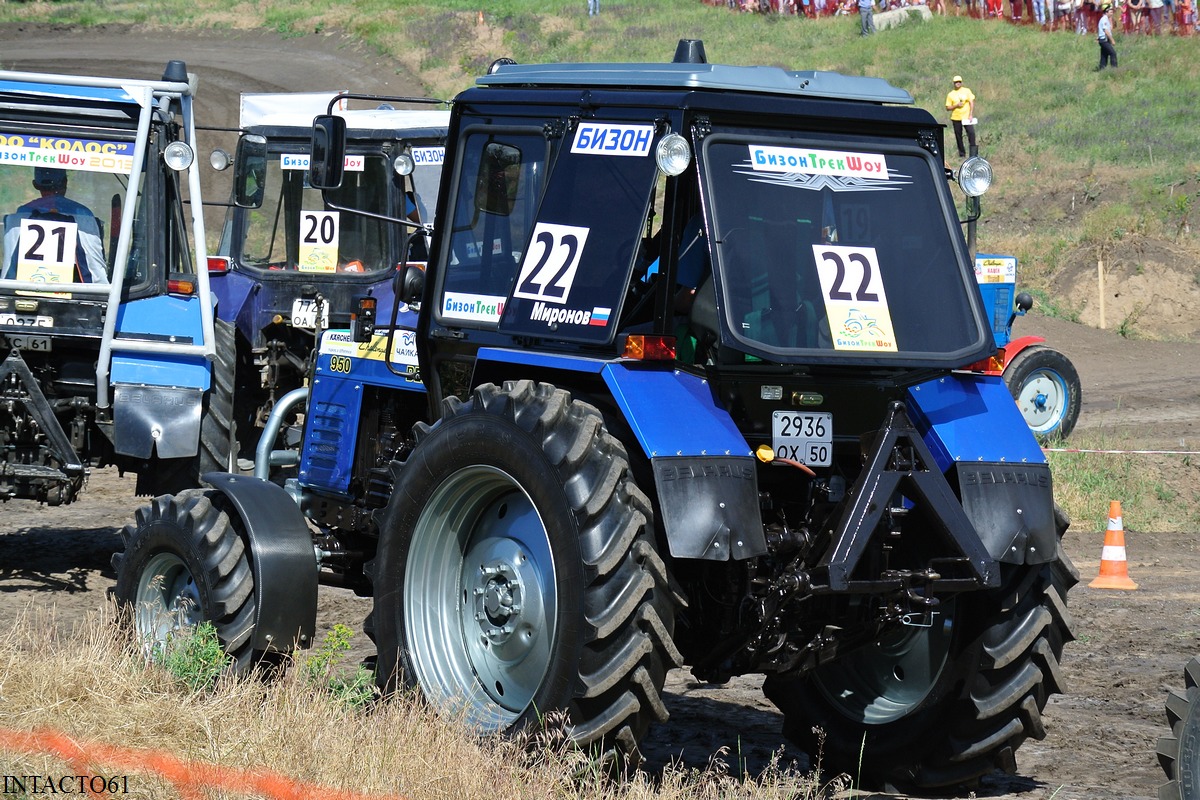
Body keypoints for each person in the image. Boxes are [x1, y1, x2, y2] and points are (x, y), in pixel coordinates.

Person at [3, 167, 106, 284]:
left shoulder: (22, 212)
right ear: (65, 182)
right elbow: (94, 265)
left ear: (35, 184)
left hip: (24, 289)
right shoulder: (83, 213)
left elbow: (10, 267)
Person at [944, 75, 977, 158]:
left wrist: (970, 114)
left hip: (966, 117)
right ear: (954, 83)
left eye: (959, 82)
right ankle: (962, 154)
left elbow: (971, 102)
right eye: (956, 82)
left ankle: (973, 153)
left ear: (961, 82)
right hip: (956, 117)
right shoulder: (951, 94)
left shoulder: (967, 91)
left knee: (971, 133)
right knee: (958, 136)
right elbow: (948, 107)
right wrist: (956, 105)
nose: (958, 83)